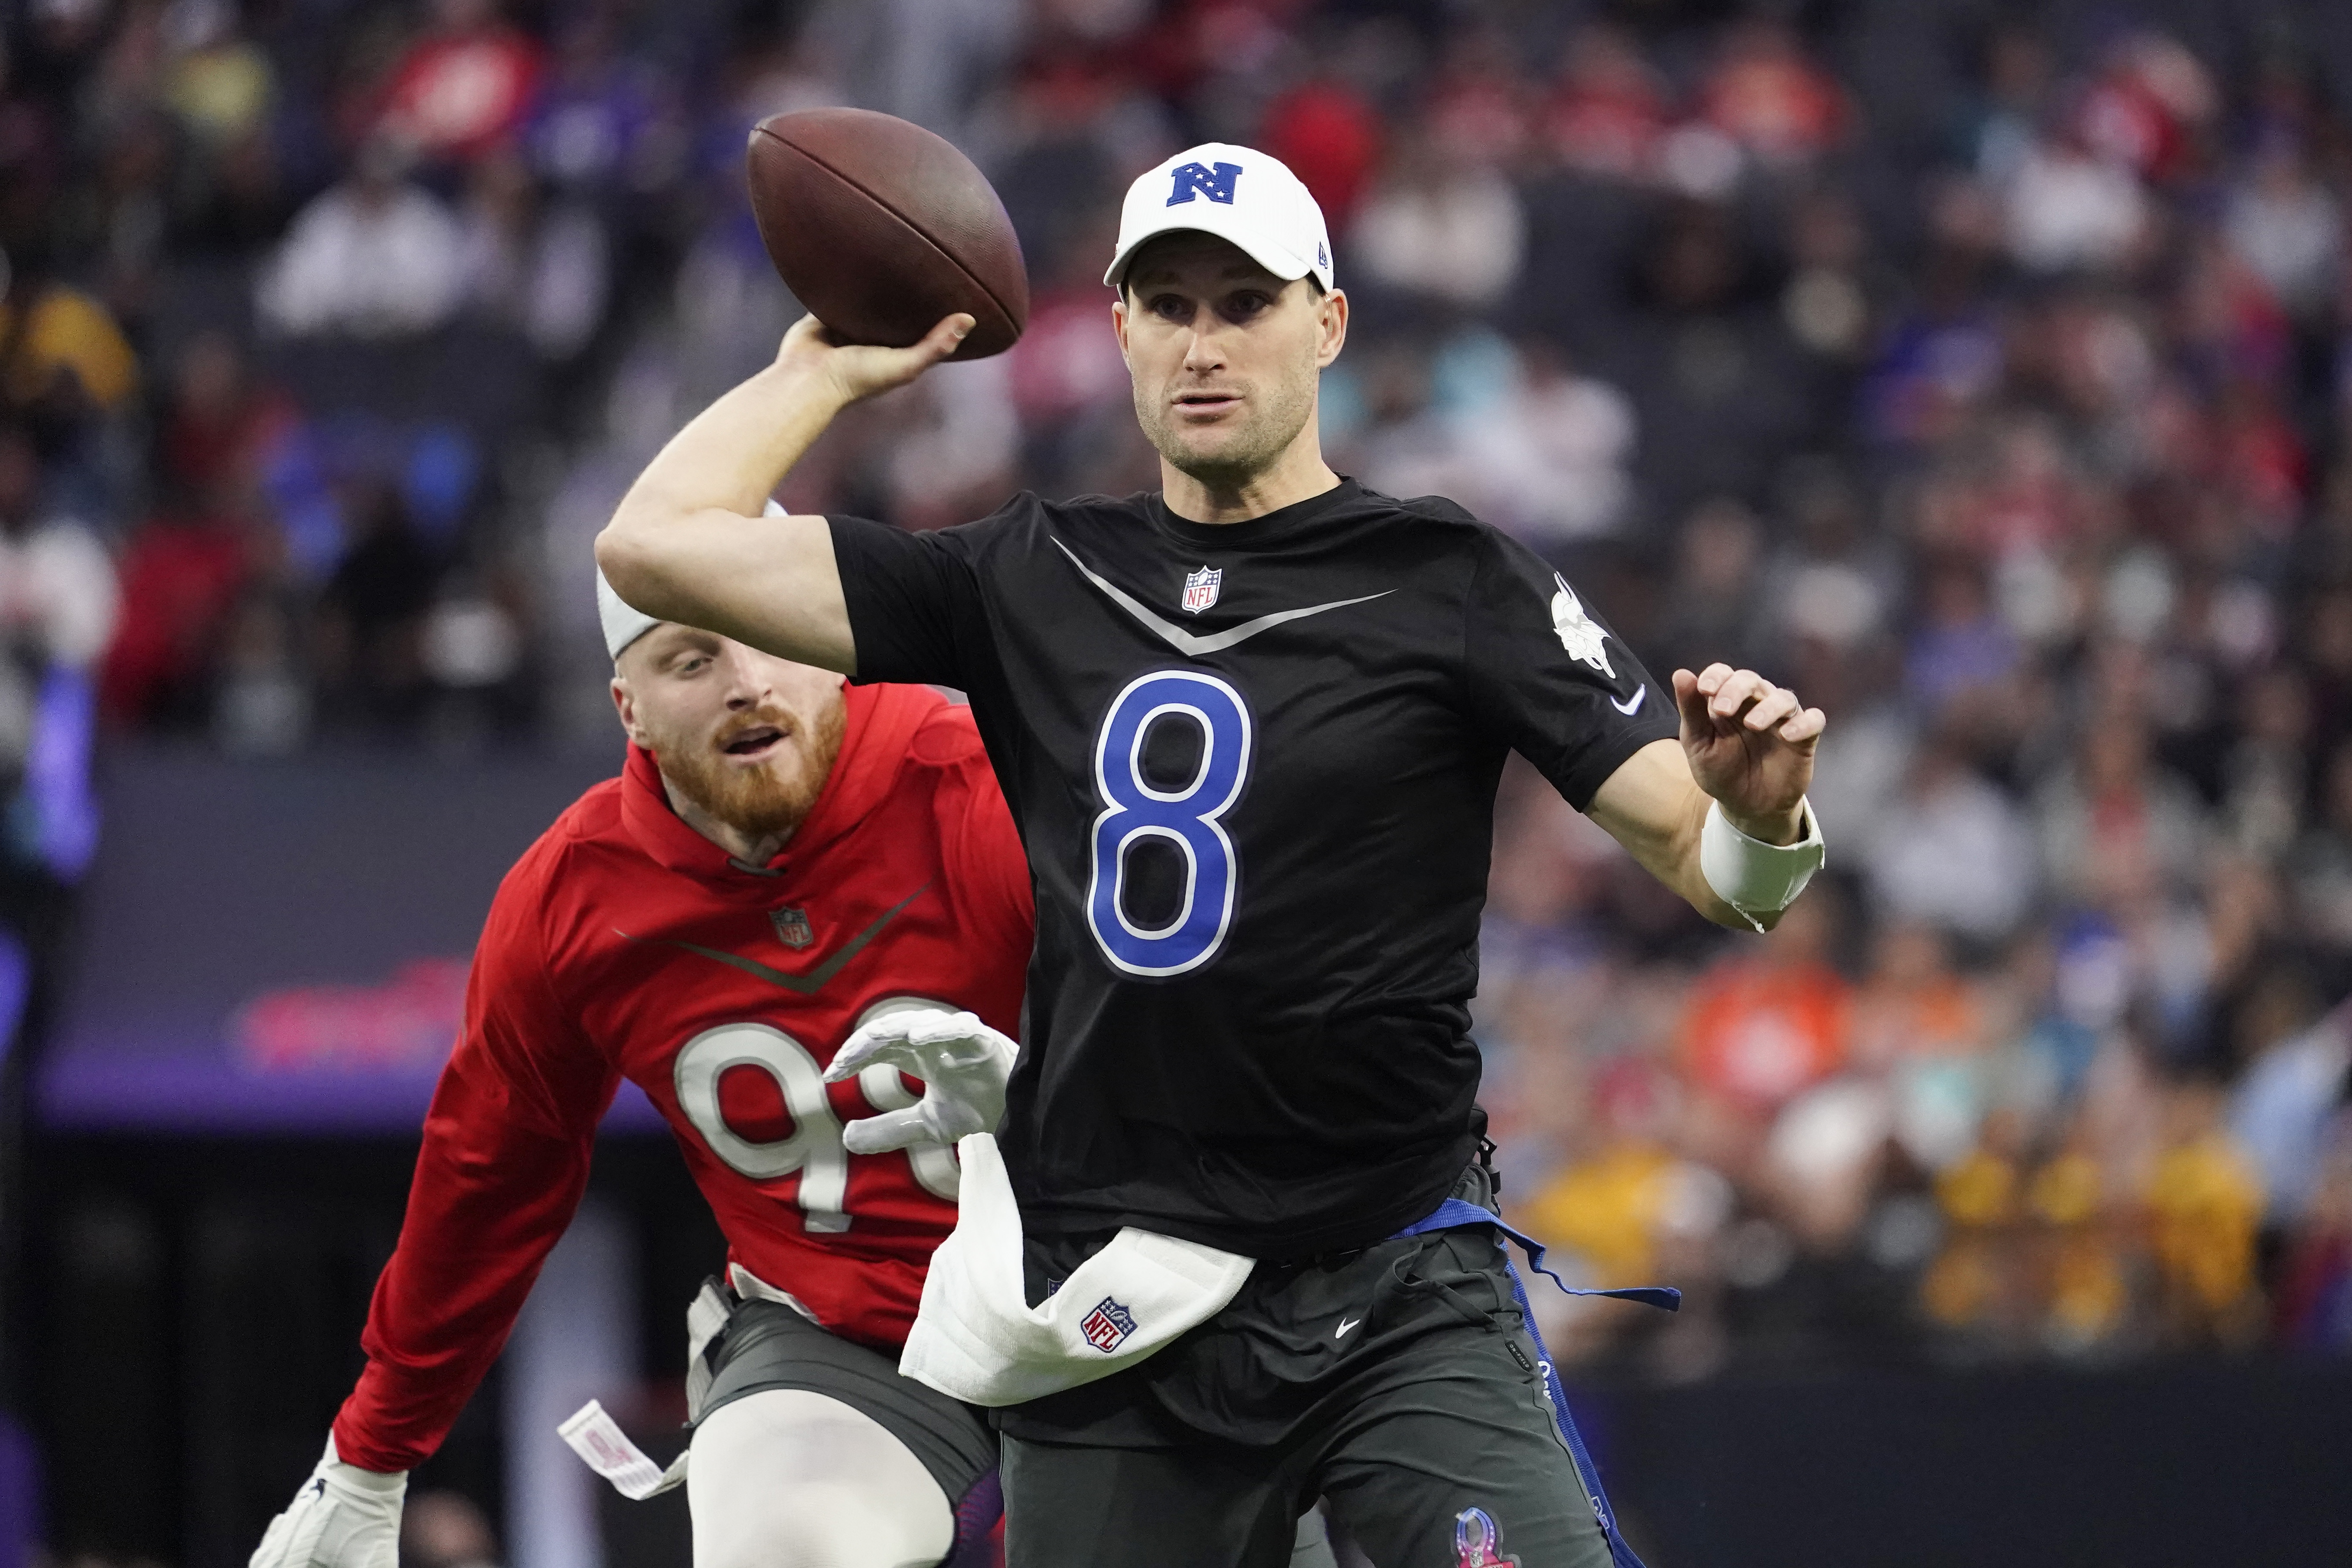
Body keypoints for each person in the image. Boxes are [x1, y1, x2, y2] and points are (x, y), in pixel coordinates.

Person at [598, 143, 1828, 1568]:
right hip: (1117, 1296)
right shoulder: (1029, 571)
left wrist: (1760, 814)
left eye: (1243, 304)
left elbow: (1713, 869)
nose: (1201, 341)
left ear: (1328, 321)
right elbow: (653, 545)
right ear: (1117, 329)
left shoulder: (1452, 577)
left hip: (1388, 1272)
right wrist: (827, 365)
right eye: (1166, 304)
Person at [247, 574, 1035, 1568]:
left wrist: (1065, 1105)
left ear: (840, 652)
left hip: (1128, 1287)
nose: (746, 683)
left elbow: (1245, 1037)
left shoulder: (993, 783)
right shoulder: (575, 899)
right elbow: (488, 1183)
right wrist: (369, 1455)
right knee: (788, 1551)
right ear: (631, 707)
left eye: (773, 633)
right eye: (692, 658)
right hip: (854, 1341)